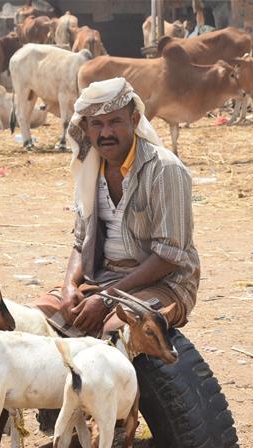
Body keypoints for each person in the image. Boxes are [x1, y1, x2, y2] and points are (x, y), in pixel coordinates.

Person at [33, 77, 200, 338]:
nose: (105, 133)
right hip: (102, 280)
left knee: (119, 330)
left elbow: (170, 256)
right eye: (97, 124)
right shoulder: (89, 169)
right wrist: (69, 287)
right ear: (85, 127)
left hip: (165, 285)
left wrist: (107, 299)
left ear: (134, 121)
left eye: (115, 122)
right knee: (33, 321)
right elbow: (81, 243)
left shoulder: (165, 170)